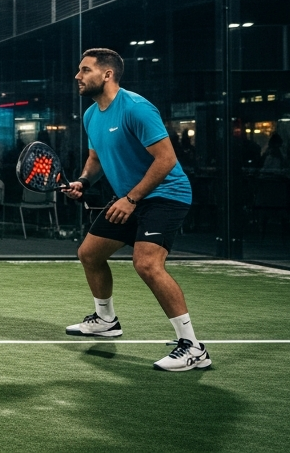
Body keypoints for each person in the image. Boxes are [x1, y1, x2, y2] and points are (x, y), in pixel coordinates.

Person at [64, 48, 210, 372]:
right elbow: (96, 158)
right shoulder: (91, 116)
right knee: (89, 254)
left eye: (85, 70)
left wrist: (130, 200)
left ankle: (193, 347)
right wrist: (83, 182)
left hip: (166, 194)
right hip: (129, 198)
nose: (78, 76)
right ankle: (106, 320)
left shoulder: (136, 108)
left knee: (146, 264)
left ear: (107, 75)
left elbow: (167, 160)